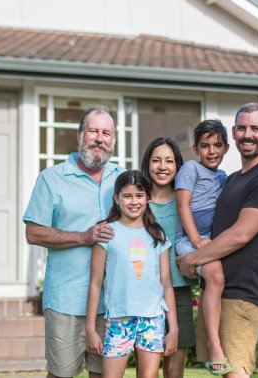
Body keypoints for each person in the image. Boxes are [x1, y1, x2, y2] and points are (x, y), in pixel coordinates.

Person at [177, 102, 258, 378]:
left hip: (242, 293)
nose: (247, 134)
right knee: (224, 371)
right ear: (234, 134)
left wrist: (192, 259)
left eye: (255, 128)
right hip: (217, 291)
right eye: (241, 128)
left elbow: (241, 234)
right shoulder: (231, 179)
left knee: (236, 372)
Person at [23, 105, 124, 378]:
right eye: (93, 131)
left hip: (113, 302)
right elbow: (33, 232)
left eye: (106, 133)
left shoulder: (122, 179)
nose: (99, 139)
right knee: (61, 375)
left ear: (113, 140)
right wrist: (84, 236)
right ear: (80, 135)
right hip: (67, 301)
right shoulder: (51, 179)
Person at [85, 170, 178, 378]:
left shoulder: (157, 234)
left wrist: (174, 329)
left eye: (139, 195)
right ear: (116, 198)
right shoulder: (107, 233)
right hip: (119, 318)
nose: (134, 202)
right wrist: (90, 329)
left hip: (152, 318)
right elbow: (95, 283)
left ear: (147, 198)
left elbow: (166, 283)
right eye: (127, 196)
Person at [174, 120, 231, 375]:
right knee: (216, 276)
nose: (211, 151)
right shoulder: (190, 169)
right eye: (205, 146)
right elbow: (183, 206)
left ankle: (216, 340)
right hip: (189, 238)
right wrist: (196, 240)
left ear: (226, 148)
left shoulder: (223, 177)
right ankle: (214, 345)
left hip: (211, 238)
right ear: (195, 148)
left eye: (217, 145)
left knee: (216, 280)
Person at [140, 137, 197, 378]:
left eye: (169, 161)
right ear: (147, 164)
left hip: (179, 289)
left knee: (174, 370)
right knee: (147, 369)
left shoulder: (184, 201)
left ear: (178, 165)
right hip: (144, 292)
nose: (162, 167)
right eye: (156, 160)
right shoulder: (137, 201)